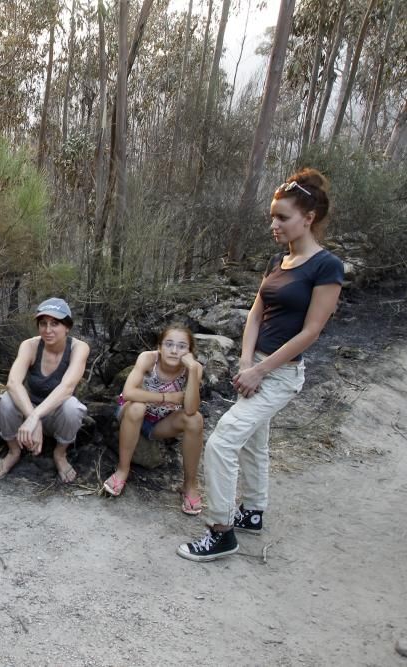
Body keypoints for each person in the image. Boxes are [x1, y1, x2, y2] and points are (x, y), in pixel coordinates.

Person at [178, 168, 343, 562]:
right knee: (254, 443)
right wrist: (247, 359)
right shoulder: (277, 261)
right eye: (272, 216)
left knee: (221, 443)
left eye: (282, 217)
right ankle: (252, 511)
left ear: (309, 218)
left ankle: (221, 531)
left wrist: (262, 371)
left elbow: (312, 331)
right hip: (258, 366)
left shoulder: (326, 267)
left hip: (282, 374)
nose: (274, 224)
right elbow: (256, 313)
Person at [103, 325, 205, 514]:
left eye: (182, 346)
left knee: (195, 420)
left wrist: (192, 368)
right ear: (159, 347)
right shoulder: (149, 359)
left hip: (160, 423)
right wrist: (167, 398)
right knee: (137, 406)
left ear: (190, 352)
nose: (174, 351)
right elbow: (128, 392)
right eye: (169, 344)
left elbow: (190, 409)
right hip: (132, 413)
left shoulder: (193, 368)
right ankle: (122, 469)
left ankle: (190, 485)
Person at [0, 298, 90, 483]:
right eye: (43, 323)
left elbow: (67, 387)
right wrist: (33, 418)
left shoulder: (79, 348)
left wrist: (35, 417)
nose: (48, 329)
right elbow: (13, 382)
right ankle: (14, 451)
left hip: (55, 414)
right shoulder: (30, 345)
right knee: (5, 400)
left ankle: (60, 454)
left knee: (73, 407)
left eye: (55, 323)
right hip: (28, 409)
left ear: (67, 327)